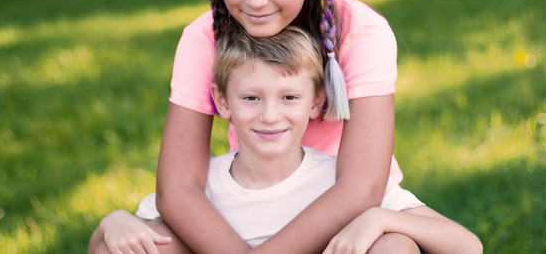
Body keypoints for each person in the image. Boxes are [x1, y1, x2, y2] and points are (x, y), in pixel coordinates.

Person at [89, 0, 475, 253]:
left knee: (394, 248)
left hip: (342, 214)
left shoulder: (361, 31)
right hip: (248, 201)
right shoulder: (202, 37)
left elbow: (360, 186)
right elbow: (177, 188)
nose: (257, 0)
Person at [91, 24, 482, 253]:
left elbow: (468, 246)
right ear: (222, 102)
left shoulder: (338, 182)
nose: (270, 115)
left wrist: (380, 218)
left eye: (290, 97)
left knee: (395, 247)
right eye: (251, 98)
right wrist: (113, 220)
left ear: (317, 103)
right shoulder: (200, 189)